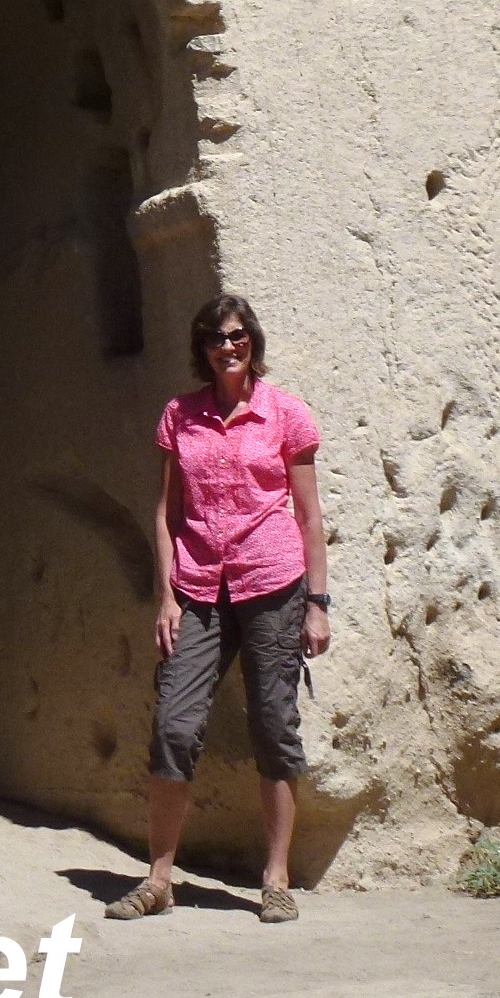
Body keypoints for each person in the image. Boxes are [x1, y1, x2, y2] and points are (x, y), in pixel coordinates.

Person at [104, 293, 330, 925]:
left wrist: (317, 603)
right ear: (201, 350)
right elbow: (166, 514)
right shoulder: (181, 416)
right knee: (174, 724)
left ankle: (276, 877)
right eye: (214, 340)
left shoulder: (285, 415)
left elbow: (309, 517)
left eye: (236, 336)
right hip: (199, 588)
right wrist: (166, 594)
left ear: (252, 339)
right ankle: (158, 880)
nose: (227, 348)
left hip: (273, 583)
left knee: (273, 724)